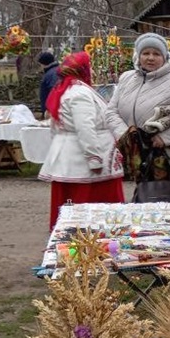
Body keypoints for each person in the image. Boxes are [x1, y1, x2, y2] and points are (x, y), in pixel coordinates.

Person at [105, 33, 170, 202]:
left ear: (164, 57)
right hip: (136, 151)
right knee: (142, 191)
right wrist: (126, 135)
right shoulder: (127, 78)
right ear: (138, 55)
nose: (150, 58)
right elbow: (111, 112)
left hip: (164, 154)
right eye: (146, 53)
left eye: (156, 54)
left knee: (161, 196)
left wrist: (164, 138)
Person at [37, 51, 124, 230]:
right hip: (83, 162)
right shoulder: (79, 93)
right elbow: (85, 127)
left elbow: (55, 127)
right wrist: (94, 158)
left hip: (69, 158)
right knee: (88, 205)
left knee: (70, 202)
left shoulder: (63, 90)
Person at [37, 50, 60, 119]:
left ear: (43, 63)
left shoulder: (51, 74)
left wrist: (48, 109)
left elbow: (53, 91)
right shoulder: (56, 71)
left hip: (52, 110)